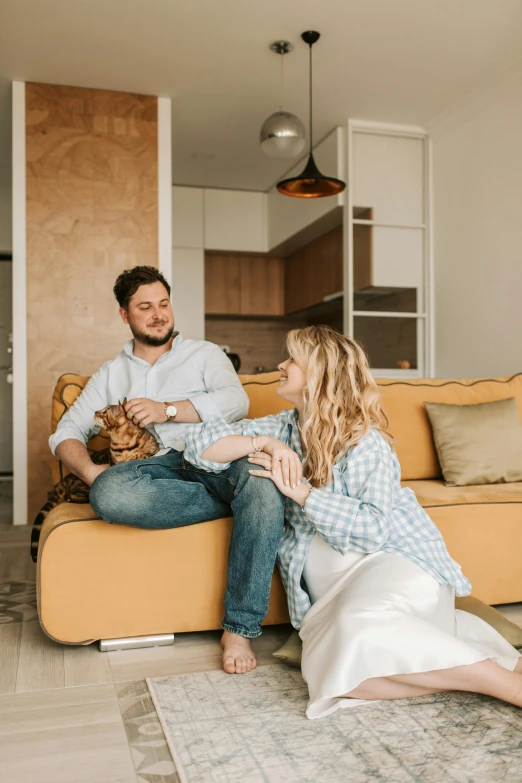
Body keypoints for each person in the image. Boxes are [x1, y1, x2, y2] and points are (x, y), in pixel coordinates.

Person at [183, 325, 522, 718]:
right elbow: (198, 446)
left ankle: (509, 688)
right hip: (331, 600)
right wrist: (264, 444)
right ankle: (481, 667)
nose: (280, 364)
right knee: (332, 676)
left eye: (292, 358)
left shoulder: (366, 442)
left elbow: (373, 531)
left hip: (393, 567)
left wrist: (302, 492)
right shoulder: (279, 429)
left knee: (357, 627)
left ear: (319, 373)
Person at [50, 265, 286, 674]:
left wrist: (169, 410)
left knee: (261, 482)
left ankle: (240, 628)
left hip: (218, 454)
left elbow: (236, 402)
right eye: (145, 307)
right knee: (108, 494)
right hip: (156, 470)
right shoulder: (111, 374)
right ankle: (237, 506)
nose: (159, 314)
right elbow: (67, 431)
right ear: (125, 315)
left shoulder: (205, 354)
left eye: (164, 303)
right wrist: (91, 472)